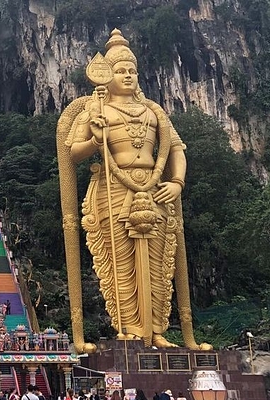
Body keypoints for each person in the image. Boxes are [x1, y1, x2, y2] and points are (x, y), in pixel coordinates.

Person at [58, 28, 211, 351]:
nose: (127, 75)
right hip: (112, 188)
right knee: (120, 261)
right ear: (106, 76)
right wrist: (95, 140)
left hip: (155, 189)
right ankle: (127, 329)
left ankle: (157, 331)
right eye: (120, 70)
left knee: (159, 262)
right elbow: (72, 151)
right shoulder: (95, 110)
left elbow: (176, 149)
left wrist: (177, 182)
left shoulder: (154, 111)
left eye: (131, 70)